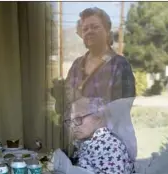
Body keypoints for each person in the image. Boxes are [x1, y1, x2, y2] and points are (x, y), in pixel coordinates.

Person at [51, 7, 137, 158]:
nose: (89, 31)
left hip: (109, 150)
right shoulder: (77, 64)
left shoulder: (119, 64)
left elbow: (122, 108)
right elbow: (66, 107)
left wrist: (84, 102)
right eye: (85, 29)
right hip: (77, 148)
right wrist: (62, 97)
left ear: (107, 30)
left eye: (95, 27)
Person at [32, 97, 134, 174]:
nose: (72, 126)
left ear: (98, 116)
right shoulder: (86, 143)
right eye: (69, 122)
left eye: (78, 119)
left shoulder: (107, 144)